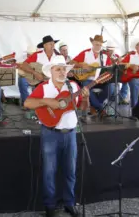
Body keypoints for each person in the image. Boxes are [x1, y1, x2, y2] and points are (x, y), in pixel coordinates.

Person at [24, 55, 89, 217]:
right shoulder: (44, 87)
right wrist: (47, 102)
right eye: (57, 69)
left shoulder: (73, 85)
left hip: (71, 133)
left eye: (64, 69)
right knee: (49, 171)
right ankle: (50, 206)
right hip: (50, 133)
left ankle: (69, 203)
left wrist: (86, 99)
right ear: (51, 71)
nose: (61, 72)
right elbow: (27, 103)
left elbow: (82, 108)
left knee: (71, 171)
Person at [70, 35, 111, 114]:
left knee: (112, 88)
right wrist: (82, 65)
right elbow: (72, 62)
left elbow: (109, 69)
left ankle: (94, 105)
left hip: (101, 80)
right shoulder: (85, 53)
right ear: (92, 43)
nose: (98, 46)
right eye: (96, 44)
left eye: (100, 45)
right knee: (85, 87)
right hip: (88, 79)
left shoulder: (105, 56)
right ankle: (100, 108)